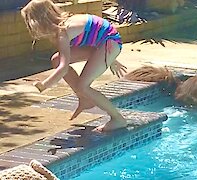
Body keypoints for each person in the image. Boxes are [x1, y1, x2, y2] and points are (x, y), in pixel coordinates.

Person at [21, 0, 128, 132]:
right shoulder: (65, 25)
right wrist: (111, 59)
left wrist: (45, 85)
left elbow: (63, 68)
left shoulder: (63, 32)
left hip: (109, 43)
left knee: (83, 85)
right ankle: (84, 99)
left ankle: (118, 119)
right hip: (103, 44)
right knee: (56, 59)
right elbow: (96, 33)